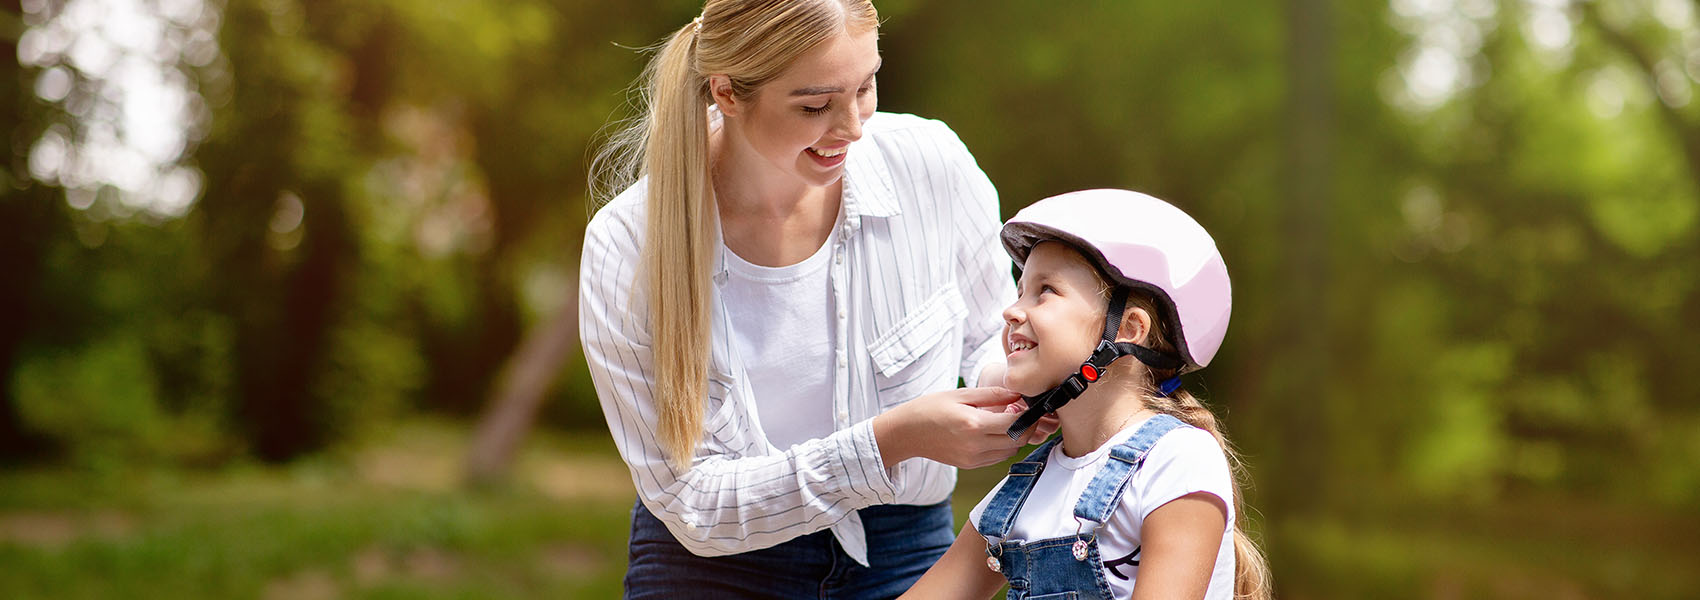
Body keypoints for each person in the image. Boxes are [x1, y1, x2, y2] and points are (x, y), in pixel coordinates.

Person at [580, 1, 1054, 597]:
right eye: (815, 106)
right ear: (726, 92)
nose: (854, 127)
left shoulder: (930, 165)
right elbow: (689, 499)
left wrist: (1031, 387)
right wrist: (892, 438)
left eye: (866, 86)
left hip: (905, 549)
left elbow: (990, 334)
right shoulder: (629, 245)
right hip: (710, 567)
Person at [900, 189, 1272, 600]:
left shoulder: (1177, 461)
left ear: (1128, 329)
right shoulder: (1021, 491)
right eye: (1019, 290)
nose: (1010, 311)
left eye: (1044, 291)